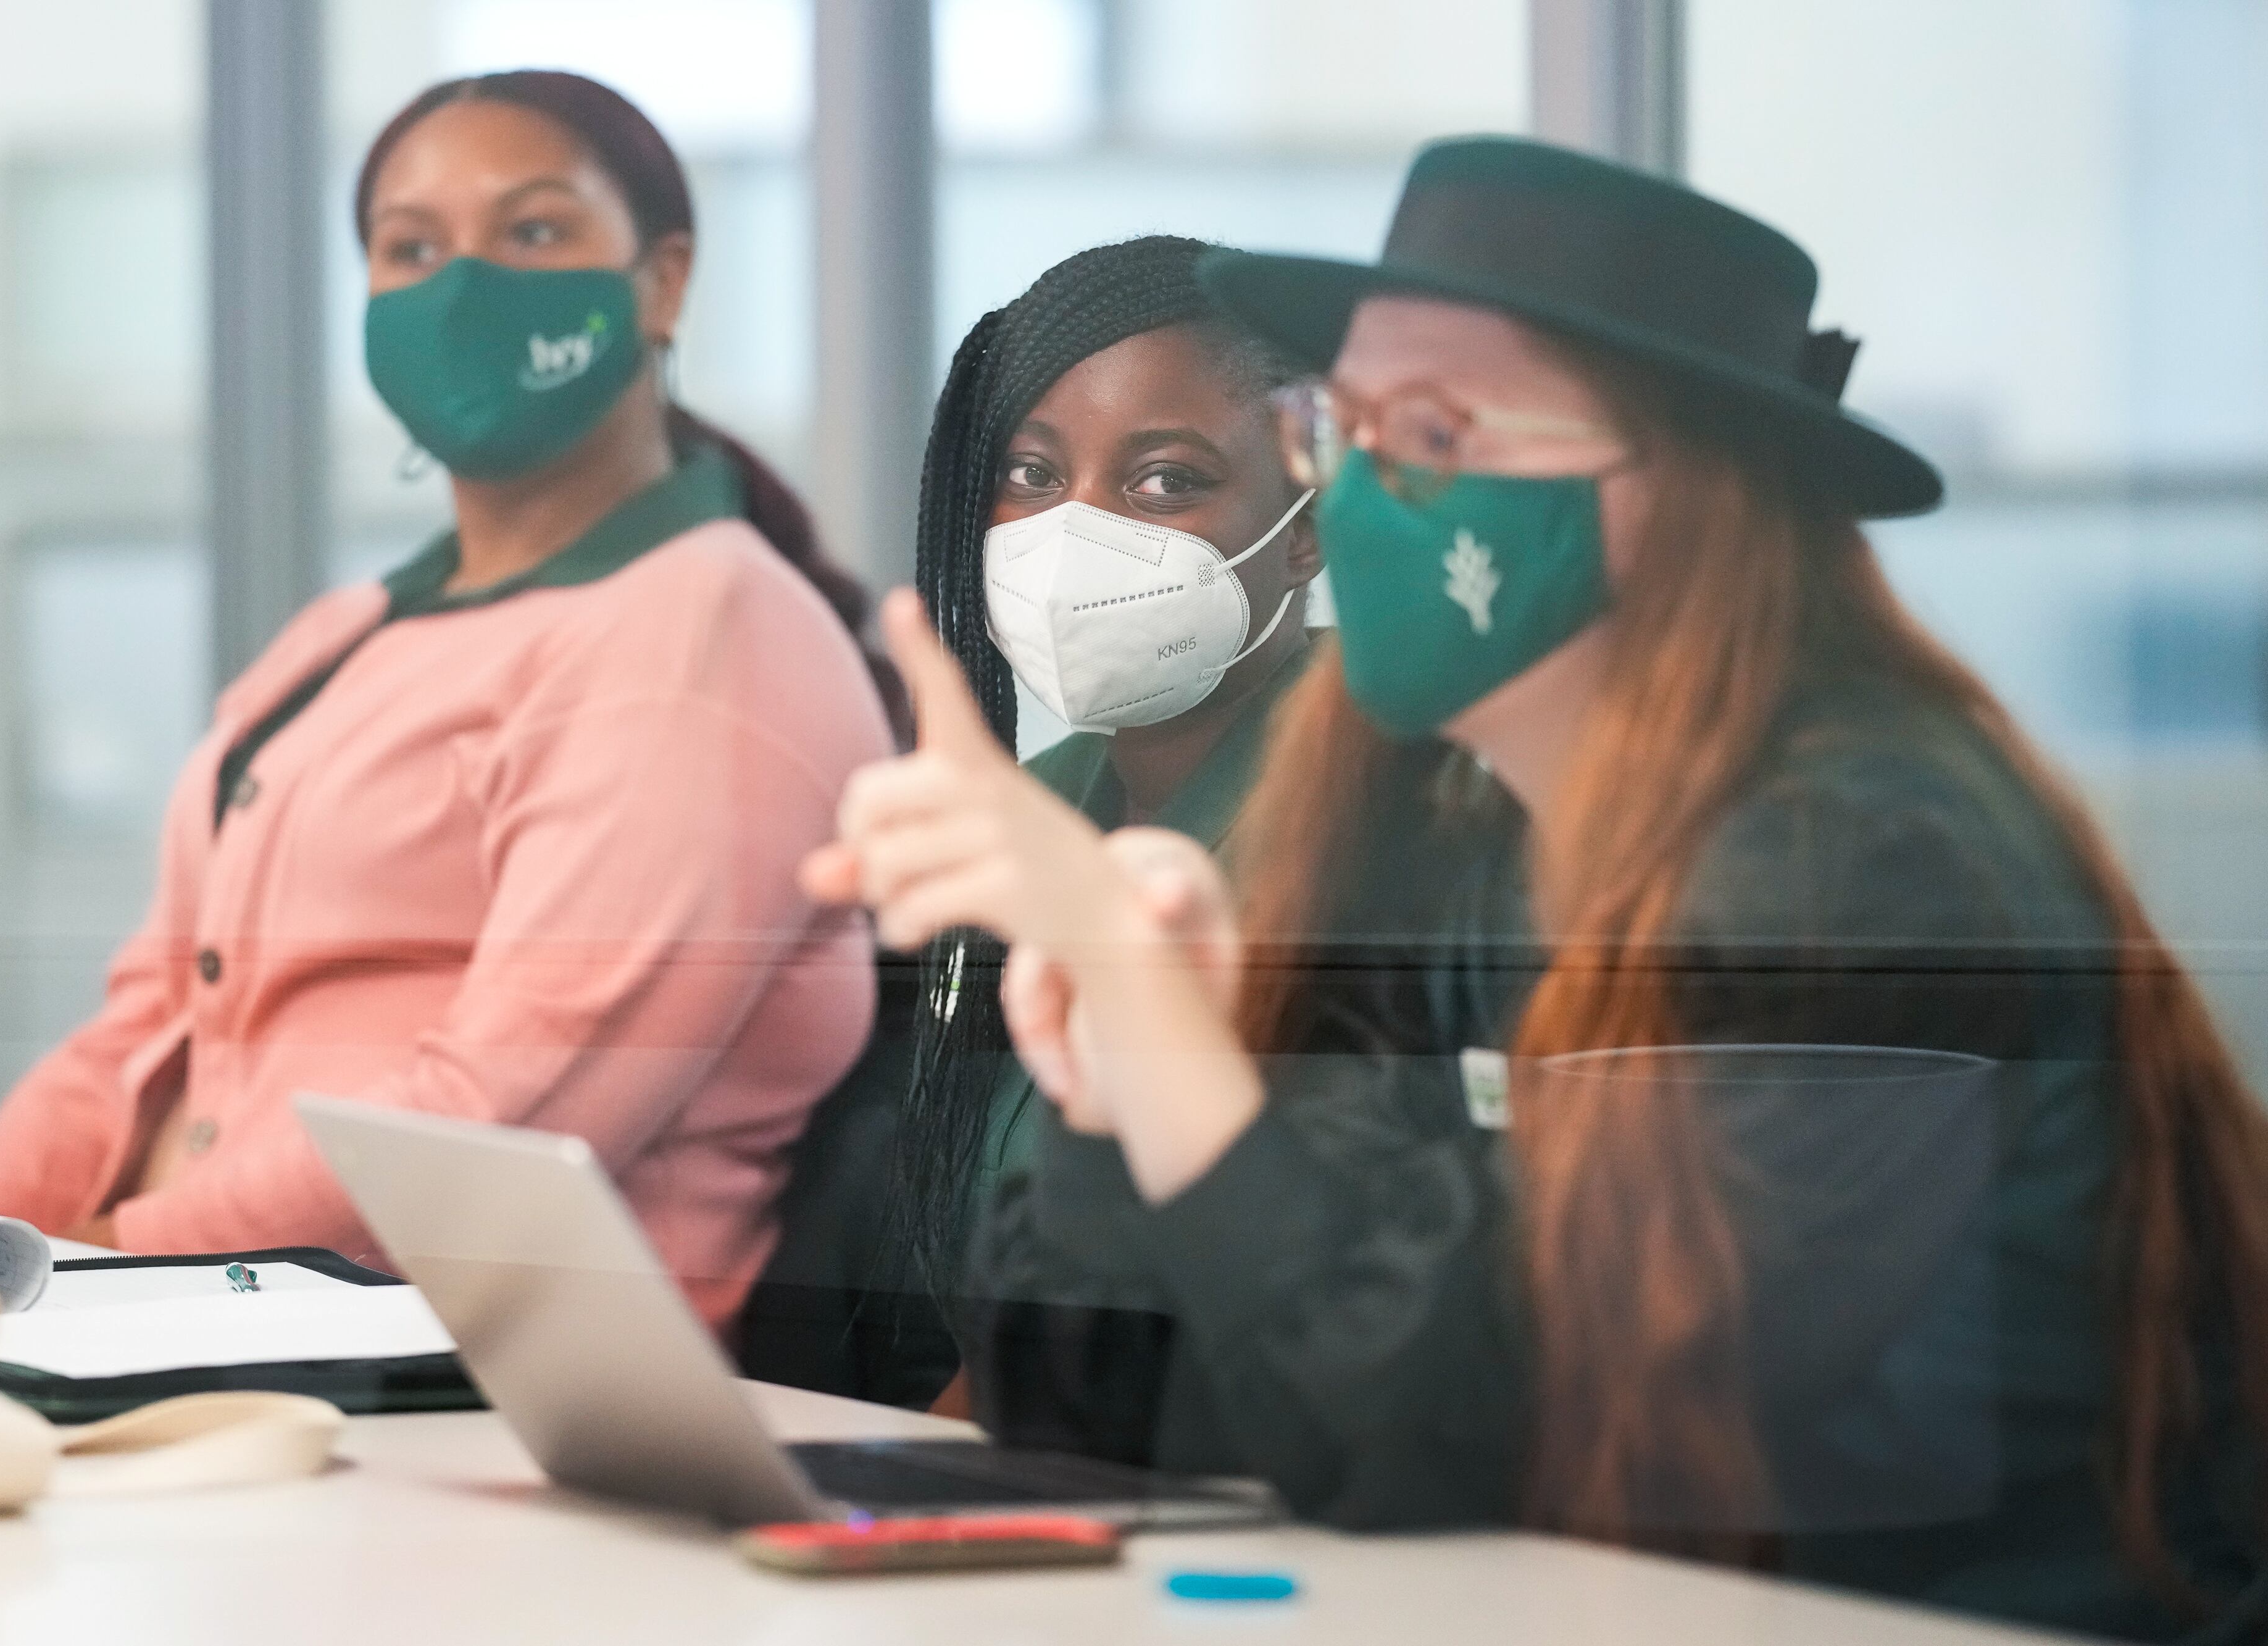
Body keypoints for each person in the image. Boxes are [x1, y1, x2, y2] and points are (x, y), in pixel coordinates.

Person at [803, 138, 2268, 1639]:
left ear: (1669, 491)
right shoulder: (1468, 833)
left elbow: (1463, 1432)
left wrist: (1147, 1009)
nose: (1357, 500)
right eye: (1340, 428)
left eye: (1431, 435)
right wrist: (1111, 1087)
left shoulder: (1852, 851)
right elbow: (1121, 1401)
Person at [0, 71, 899, 1332]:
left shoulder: (704, 626)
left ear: (661, 282)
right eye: (411, 247)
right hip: (211, 1329)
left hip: (454, 1386)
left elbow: (501, 1121)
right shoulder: (346, 636)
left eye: (534, 231)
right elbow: (147, 1025)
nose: (463, 287)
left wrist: (111, 1272)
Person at [737, 236, 1322, 1404]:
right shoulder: (1027, 813)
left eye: (1166, 479)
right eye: (1032, 475)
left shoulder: (1379, 810)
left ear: (1307, 523)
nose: (1075, 534)